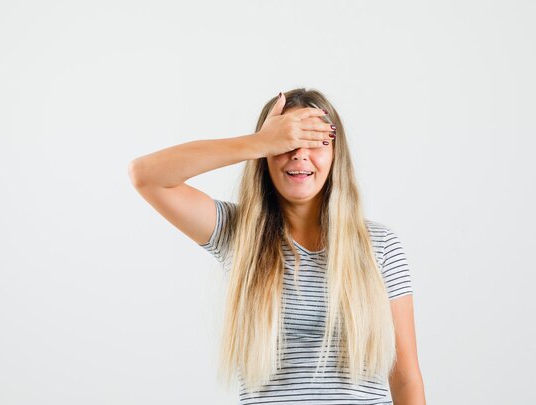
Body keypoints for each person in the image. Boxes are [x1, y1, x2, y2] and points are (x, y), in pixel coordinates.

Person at [128, 88, 426, 404]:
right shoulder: (237, 234)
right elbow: (146, 175)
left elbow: (405, 377)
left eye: (315, 142)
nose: (299, 154)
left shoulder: (379, 246)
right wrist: (259, 143)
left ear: (335, 154)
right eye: (286, 143)